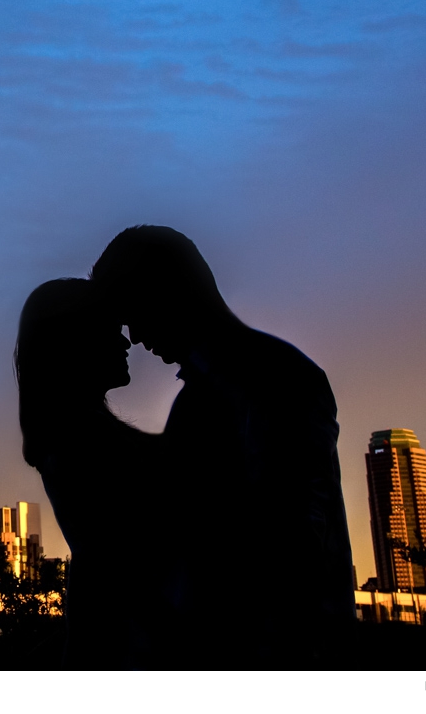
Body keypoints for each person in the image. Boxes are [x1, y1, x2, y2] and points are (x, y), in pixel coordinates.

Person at [90, 225, 354, 666]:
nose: (134, 336)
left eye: (131, 310)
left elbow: (291, 543)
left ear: (167, 289)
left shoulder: (273, 379)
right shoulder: (201, 399)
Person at [15, 278, 167, 668]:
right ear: (76, 343)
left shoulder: (68, 433)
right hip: (122, 638)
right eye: (111, 331)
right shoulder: (84, 437)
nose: (127, 342)